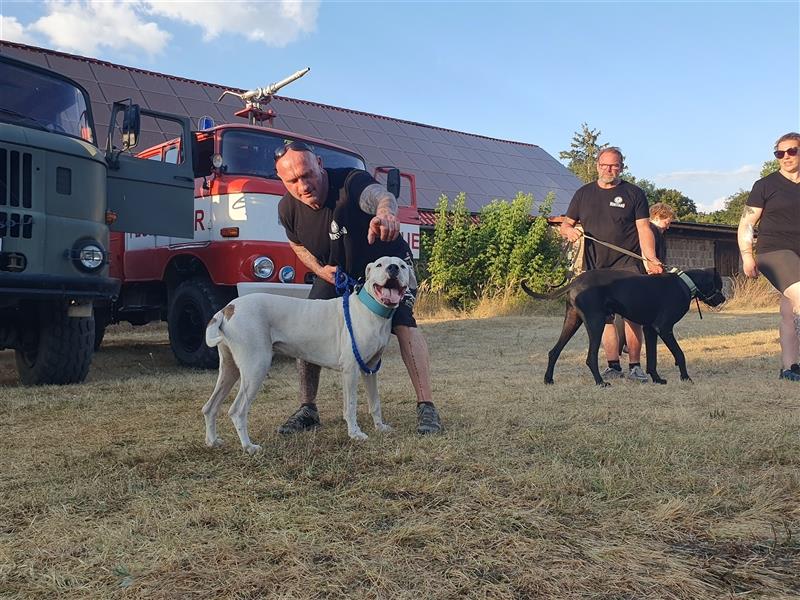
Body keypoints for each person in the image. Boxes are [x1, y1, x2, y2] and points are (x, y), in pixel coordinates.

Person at [273, 141, 443, 433]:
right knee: (306, 322)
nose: (303, 186)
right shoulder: (288, 208)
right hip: (336, 273)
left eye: (307, 174)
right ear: (282, 181)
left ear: (319, 164)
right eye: (293, 180)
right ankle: (307, 409)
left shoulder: (350, 182)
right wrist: (319, 270)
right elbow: (296, 244)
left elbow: (380, 196)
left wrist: (386, 213)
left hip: (384, 267)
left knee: (403, 321)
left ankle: (426, 408)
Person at [559, 146, 664, 382]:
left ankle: (635, 366)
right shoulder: (583, 194)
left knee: (633, 317)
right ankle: (613, 365)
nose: (609, 169)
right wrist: (569, 232)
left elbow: (643, 228)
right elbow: (566, 224)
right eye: (605, 165)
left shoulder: (634, 193)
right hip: (596, 267)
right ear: (597, 165)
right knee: (604, 319)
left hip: (628, 265)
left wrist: (649, 258)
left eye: (614, 165)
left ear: (622, 167)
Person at [738, 132, 800, 382]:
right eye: (779, 153)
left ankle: (789, 368)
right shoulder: (765, 185)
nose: (785, 157)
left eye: (792, 151)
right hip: (774, 251)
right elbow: (747, 223)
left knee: (790, 310)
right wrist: (746, 255)